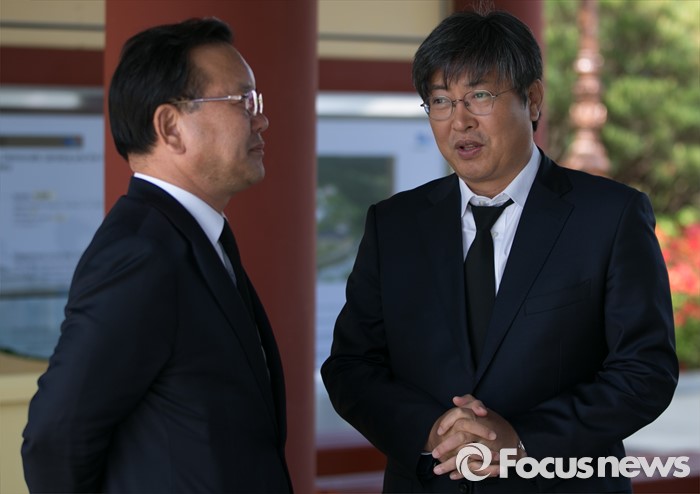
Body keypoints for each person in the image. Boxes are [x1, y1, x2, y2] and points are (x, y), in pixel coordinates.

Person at [322, 9, 678, 494]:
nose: (460, 120)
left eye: (480, 96)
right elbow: (350, 366)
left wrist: (522, 440)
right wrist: (432, 431)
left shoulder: (610, 217)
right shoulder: (394, 225)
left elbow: (645, 371)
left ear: (533, 99)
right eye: (441, 101)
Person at [21, 18, 293, 493]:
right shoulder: (141, 253)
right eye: (242, 101)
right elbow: (54, 439)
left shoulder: (194, 236)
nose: (261, 119)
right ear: (170, 127)